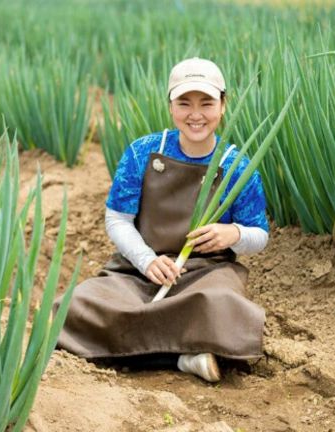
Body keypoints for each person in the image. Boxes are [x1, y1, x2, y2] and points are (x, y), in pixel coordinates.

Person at [54, 57, 269, 382]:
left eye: (206, 103)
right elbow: (117, 220)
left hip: (205, 274)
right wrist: (146, 261)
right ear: (171, 106)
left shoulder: (237, 164)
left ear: (223, 105)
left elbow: (260, 235)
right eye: (184, 103)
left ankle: (134, 350)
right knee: (74, 304)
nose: (195, 114)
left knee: (222, 306)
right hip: (139, 271)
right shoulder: (143, 152)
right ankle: (185, 353)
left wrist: (234, 233)